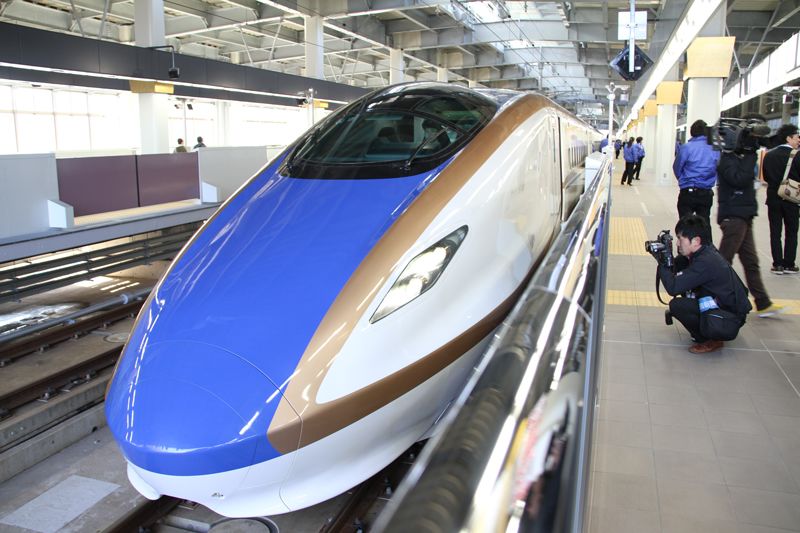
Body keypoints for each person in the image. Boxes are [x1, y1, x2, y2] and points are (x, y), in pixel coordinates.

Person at [655, 215, 752, 354]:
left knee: (677, 306)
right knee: (684, 292)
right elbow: (677, 268)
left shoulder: (706, 262)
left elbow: (673, 287)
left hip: (729, 317)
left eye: (680, 239)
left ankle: (711, 339)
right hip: (725, 307)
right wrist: (666, 257)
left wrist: (662, 264)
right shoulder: (704, 251)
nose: (677, 244)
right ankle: (709, 328)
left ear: (696, 241)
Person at [716, 137, 784, 317]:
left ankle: (763, 303)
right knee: (723, 262)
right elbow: (738, 179)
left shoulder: (739, 158)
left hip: (744, 216)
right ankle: (711, 299)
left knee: (751, 262)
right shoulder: (728, 159)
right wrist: (750, 155)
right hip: (734, 217)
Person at [760, 124, 800, 274]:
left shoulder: (769, 155)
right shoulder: (798, 155)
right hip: (792, 199)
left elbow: (767, 176)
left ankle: (777, 264)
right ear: (788, 138)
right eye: (796, 137)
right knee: (792, 231)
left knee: (775, 231)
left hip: (773, 198)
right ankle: (789, 264)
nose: (798, 141)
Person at [673, 119, 720, 228]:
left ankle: (686, 244)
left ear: (691, 132)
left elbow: (677, 167)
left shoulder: (686, 148)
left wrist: (684, 180)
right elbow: (718, 168)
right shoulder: (715, 149)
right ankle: (706, 244)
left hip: (688, 192)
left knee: (685, 225)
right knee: (705, 224)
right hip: (706, 193)